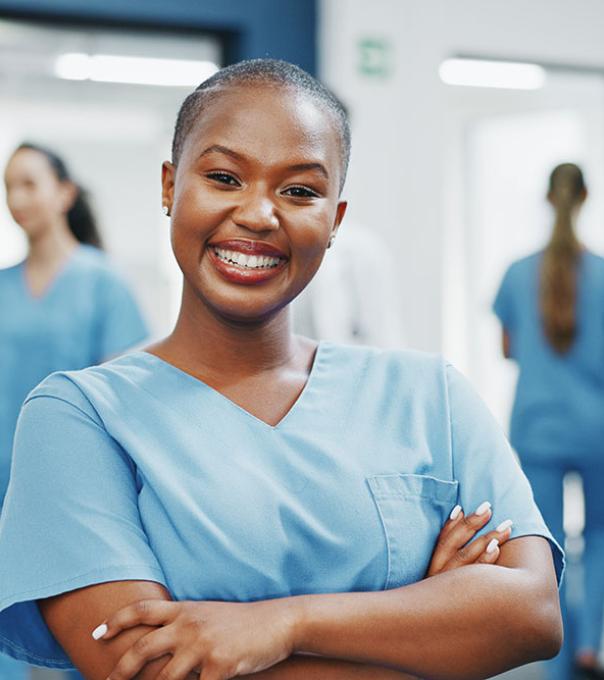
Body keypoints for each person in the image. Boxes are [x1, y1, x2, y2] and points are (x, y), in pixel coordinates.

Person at [0, 60, 563, 680]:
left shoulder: (431, 395)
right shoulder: (81, 417)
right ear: (168, 187)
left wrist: (283, 624)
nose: (259, 214)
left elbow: (532, 614)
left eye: (299, 190)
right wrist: (430, 634)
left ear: (335, 220)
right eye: (223, 177)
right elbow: (149, 671)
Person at [0, 142, 149, 679]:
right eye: (8, 185)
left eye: (29, 183)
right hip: (2, 480)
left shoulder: (102, 282)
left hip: (72, 485)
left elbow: (124, 395)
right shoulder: (1, 286)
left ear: (64, 193)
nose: (16, 198)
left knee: (80, 637)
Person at [493, 163, 604, 680]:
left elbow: (510, 349)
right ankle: (590, 646)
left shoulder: (517, 273)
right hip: (597, 427)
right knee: (601, 533)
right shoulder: (603, 273)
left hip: (538, 425)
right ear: (584, 198)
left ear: (547, 198)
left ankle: (555, 659)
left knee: (549, 541)